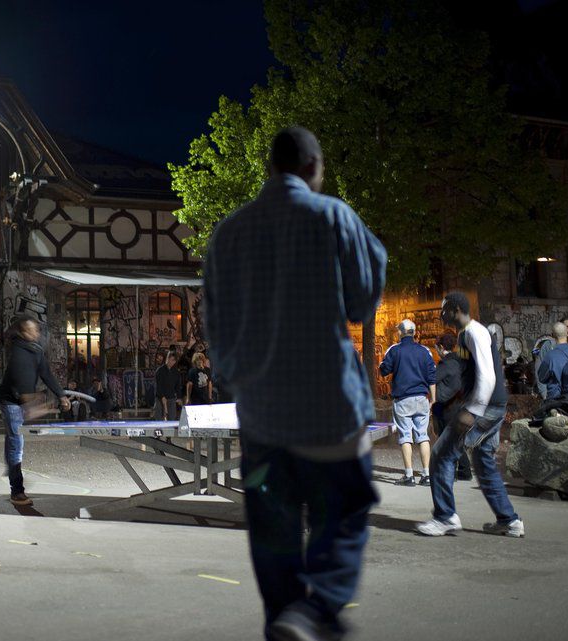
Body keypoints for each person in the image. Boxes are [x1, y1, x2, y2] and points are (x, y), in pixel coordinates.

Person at [204, 127, 386, 640]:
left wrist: (238, 376)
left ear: (270, 167)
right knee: (346, 509)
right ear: (312, 167)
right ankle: (318, 608)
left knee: (273, 530)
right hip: (329, 405)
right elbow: (361, 299)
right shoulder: (333, 216)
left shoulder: (229, 232)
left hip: (262, 411)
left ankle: (286, 618)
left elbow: (215, 323)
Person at [416, 292, 524, 538]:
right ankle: (509, 521)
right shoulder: (465, 335)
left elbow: (487, 375)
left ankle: (445, 517)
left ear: (455, 309)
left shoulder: (475, 332)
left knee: (441, 455)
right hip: (491, 406)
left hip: (485, 409)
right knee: (484, 463)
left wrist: (472, 411)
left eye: (444, 309)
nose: (441, 314)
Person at [0, 315, 71, 506]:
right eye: (31, 330)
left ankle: (11, 467)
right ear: (22, 333)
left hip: (22, 397)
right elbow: (24, 393)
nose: (35, 333)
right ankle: (17, 491)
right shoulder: (18, 354)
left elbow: (46, 373)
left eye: (36, 330)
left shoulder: (36, 351)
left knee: (13, 439)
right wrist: (38, 407)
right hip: (10, 400)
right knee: (16, 443)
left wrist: (61, 395)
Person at [379, 319, 436, 486]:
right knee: (423, 435)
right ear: (414, 332)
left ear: (400, 332)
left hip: (403, 400)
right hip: (422, 398)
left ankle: (409, 475)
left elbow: (383, 370)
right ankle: (426, 475)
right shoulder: (425, 351)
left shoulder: (394, 350)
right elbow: (432, 377)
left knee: (405, 436)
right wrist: (433, 398)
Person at [433, 332, 471, 481]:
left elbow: (432, 379)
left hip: (447, 408)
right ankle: (464, 470)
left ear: (441, 347)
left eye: (436, 347)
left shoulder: (445, 365)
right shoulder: (460, 362)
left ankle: (450, 472)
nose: (436, 350)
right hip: (461, 405)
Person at [538, 321, 568, 400]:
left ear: (552, 335)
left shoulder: (551, 355)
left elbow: (541, 378)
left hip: (556, 400)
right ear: (566, 333)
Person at [153, 351, 180, 420]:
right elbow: (158, 385)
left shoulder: (176, 372)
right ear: (167, 359)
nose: (172, 362)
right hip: (160, 398)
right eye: (171, 360)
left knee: (172, 418)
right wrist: (162, 397)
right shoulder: (160, 371)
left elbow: (177, 385)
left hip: (171, 398)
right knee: (159, 418)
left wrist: (178, 397)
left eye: (174, 361)